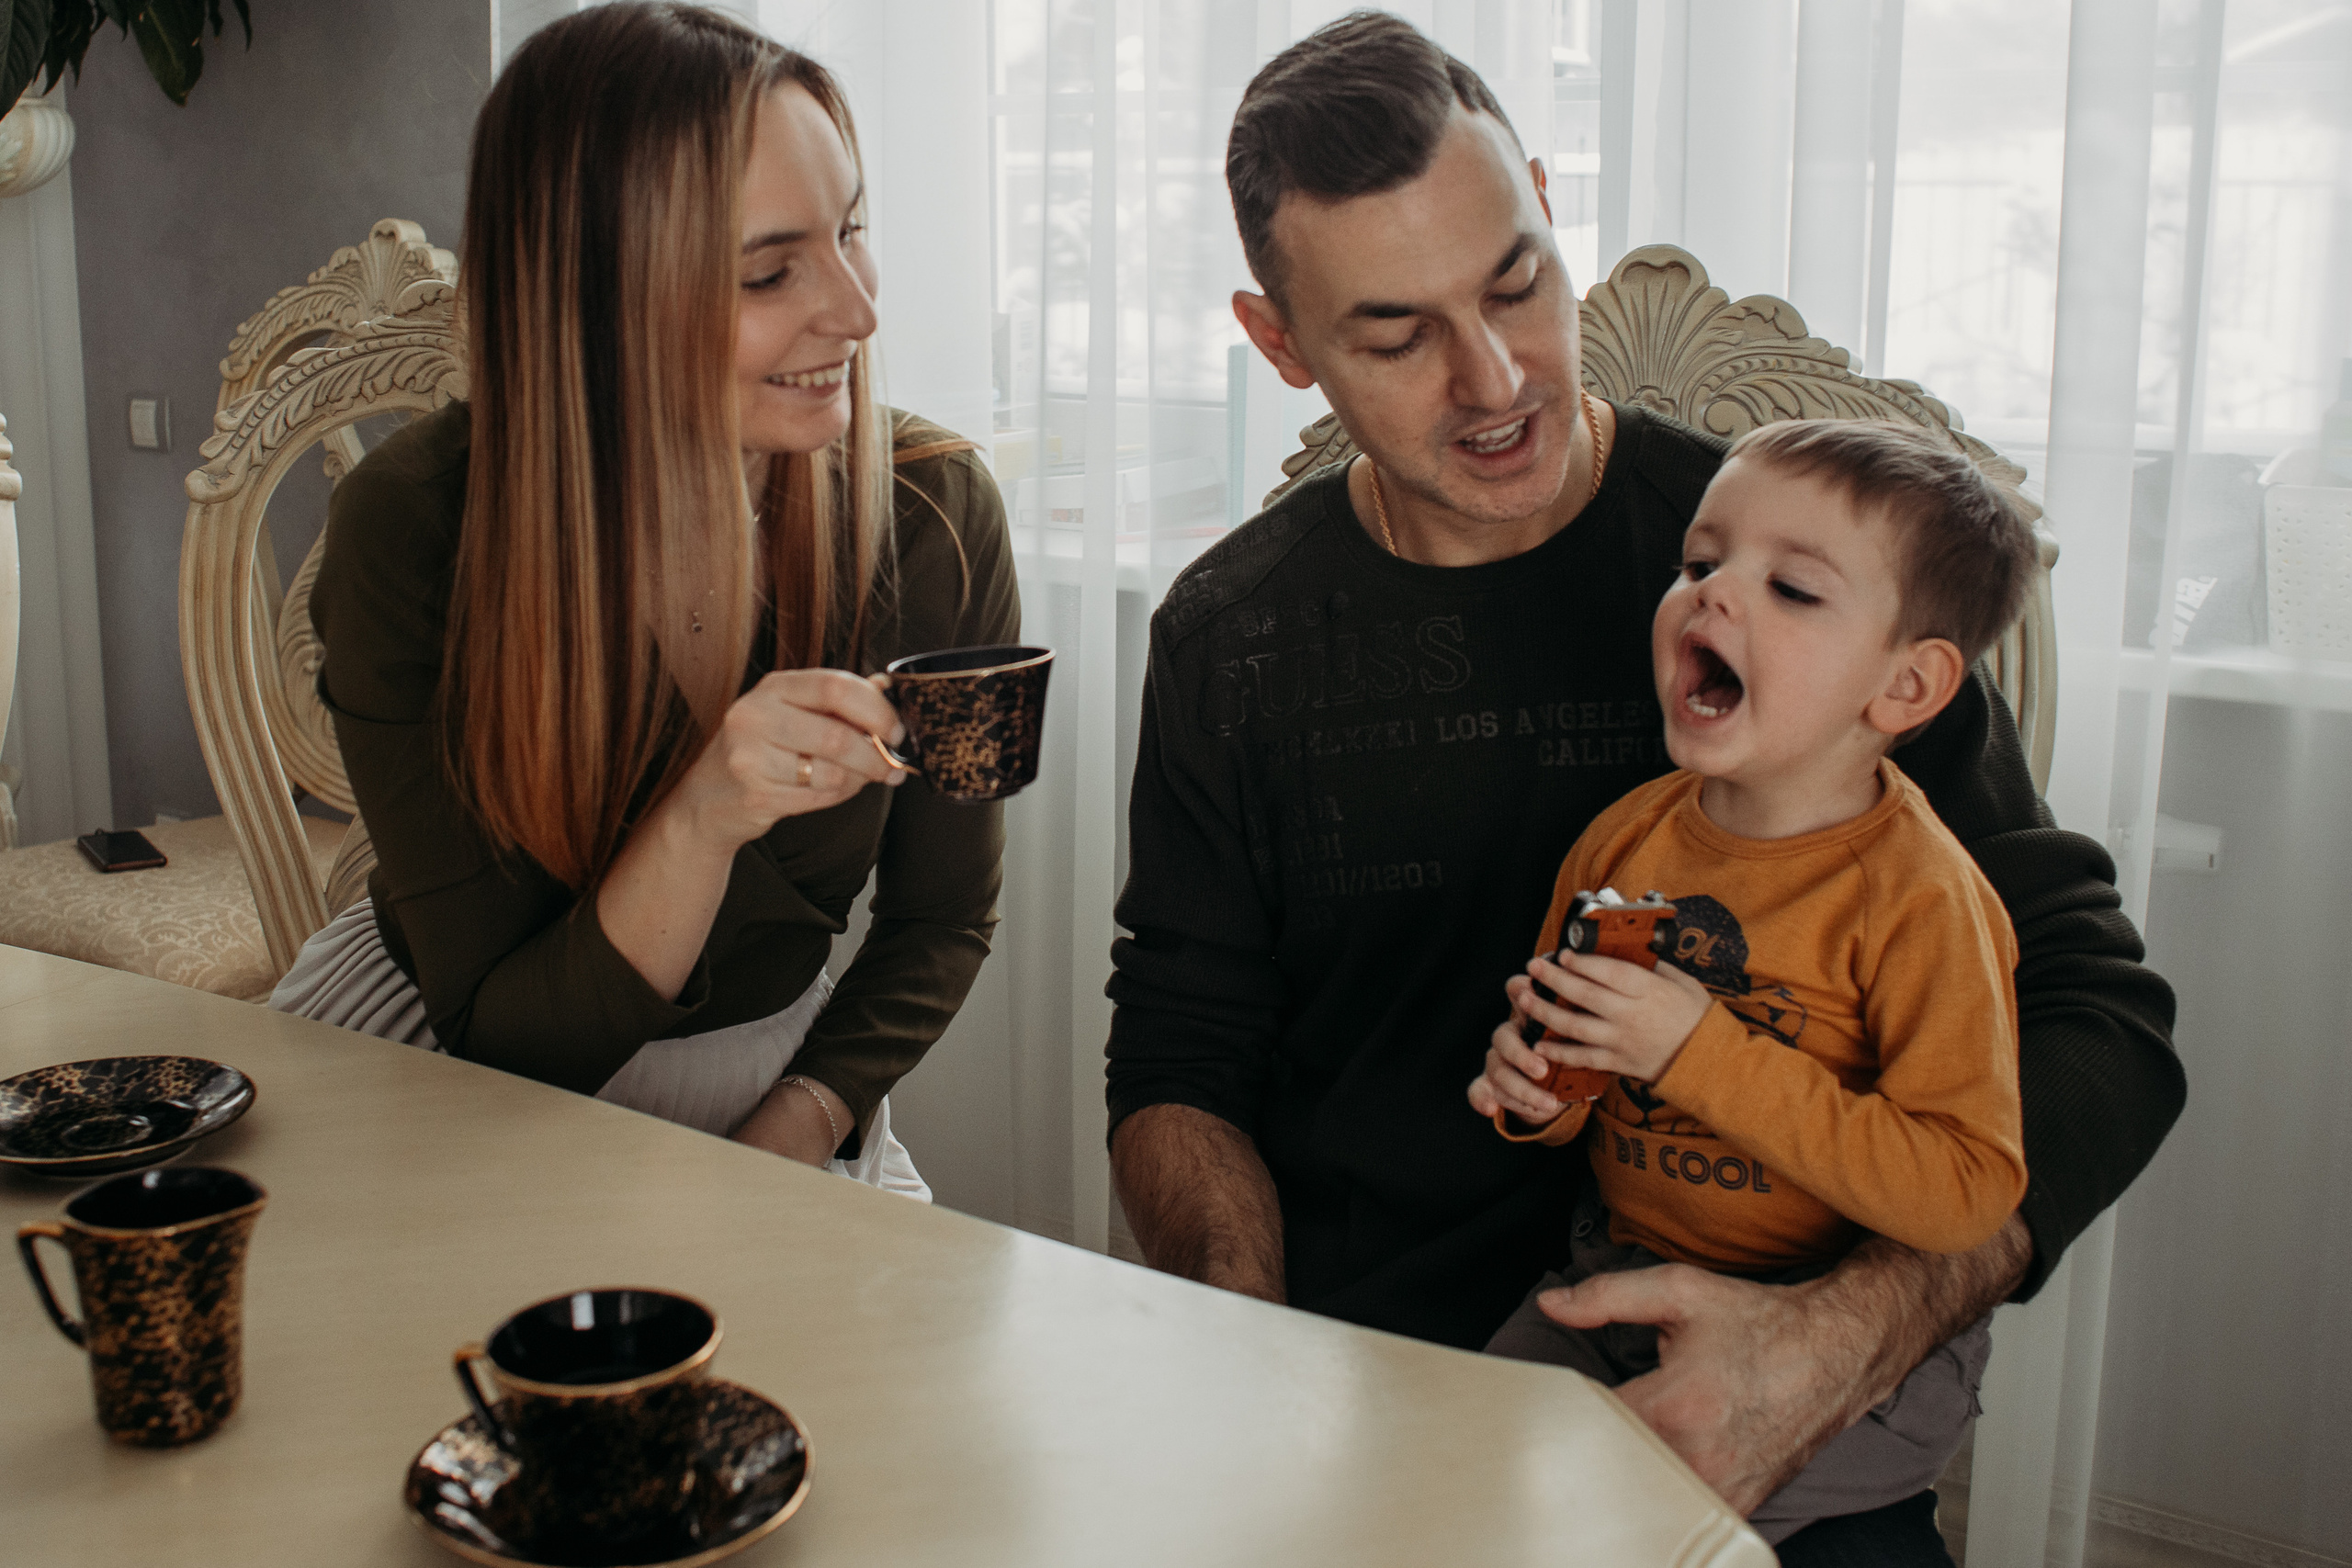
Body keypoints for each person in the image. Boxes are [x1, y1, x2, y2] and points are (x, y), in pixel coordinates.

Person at [1103, 14, 2182, 1562]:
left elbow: (2097, 1012)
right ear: (1281, 345)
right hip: (1378, 1371)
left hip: (1781, 1373)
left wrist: (1840, 1339)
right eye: (1396, 336)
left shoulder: (1797, 583)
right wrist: (1246, 1341)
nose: (1494, 381)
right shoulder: (1230, 634)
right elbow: (1182, 1043)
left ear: (1550, 206)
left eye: (1517, 283)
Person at [270, 3, 1018, 1195]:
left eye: (851, 231)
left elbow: (945, 918)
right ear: (590, 297)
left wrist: (802, 1122)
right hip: (449, 1072)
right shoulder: (412, 529)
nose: (857, 311)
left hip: (784, 1091)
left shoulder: (936, 514)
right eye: (770, 270)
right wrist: (706, 813)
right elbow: (507, 1044)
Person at [1472, 419, 2038, 1544]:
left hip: (1832, 1329)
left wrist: (1696, 1050)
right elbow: (1564, 1066)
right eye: (1699, 562)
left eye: (1792, 588)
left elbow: (1966, 1191)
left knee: (1646, 1532)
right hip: (1615, 1276)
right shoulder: (1622, 840)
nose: (1713, 594)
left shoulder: (1923, 899)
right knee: (1460, 1476)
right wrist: (1533, 1093)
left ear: (1906, 684)